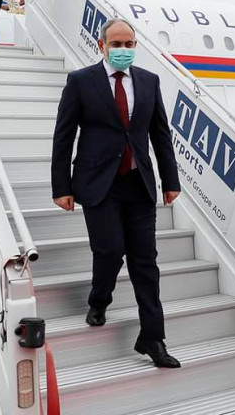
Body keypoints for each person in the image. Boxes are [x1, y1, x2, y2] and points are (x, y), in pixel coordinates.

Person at [51, 19, 182, 368]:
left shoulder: (149, 81)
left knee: (145, 261)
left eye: (129, 44)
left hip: (138, 183)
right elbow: (64, 135)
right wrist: (61, 187)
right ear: (102, 45)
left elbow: (160, 135)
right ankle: (99, 299)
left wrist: (170, 181)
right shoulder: (81, 81)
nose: (123, 50)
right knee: (109, 250)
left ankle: (153, 337)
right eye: (117, 44)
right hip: (98, 183)